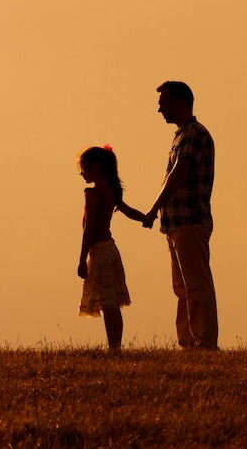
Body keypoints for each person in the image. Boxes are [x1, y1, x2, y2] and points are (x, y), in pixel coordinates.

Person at [145, 81, 218, 351]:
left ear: (181, 102)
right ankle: (189, 343)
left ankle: (204, 343)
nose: (160, 109)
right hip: (177, 222)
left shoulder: (193, 134)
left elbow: (178, 174)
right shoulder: (181, 135)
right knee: (182, 287)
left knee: (196, 285)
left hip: (190, 219)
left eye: (164, 103)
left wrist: (154, 208)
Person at [77, 145, 149, 351]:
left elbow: (89, 229)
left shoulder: (93, 194)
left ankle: (114, 348)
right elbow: (129, 211)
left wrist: (82, 259)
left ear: (96, 167)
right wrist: (146, 218)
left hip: (100, 251)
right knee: (112, 303)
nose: (82, 173)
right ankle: (115, 346)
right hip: (111, 249)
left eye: (84, 167)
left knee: (108, 303)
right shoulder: (111, 191)